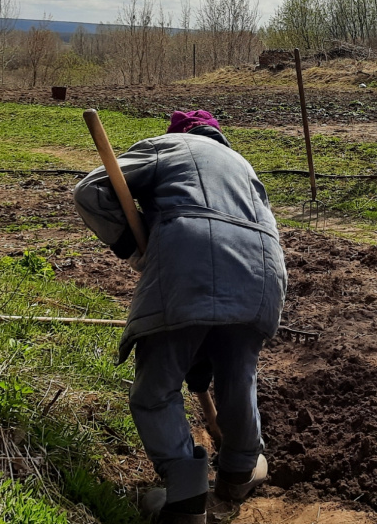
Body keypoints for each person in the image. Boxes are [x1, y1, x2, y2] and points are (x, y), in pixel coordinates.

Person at [74, 109, 287, 523]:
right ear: (217, 135)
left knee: (156, 390)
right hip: (263, 273)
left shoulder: (169, 146)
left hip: (189, 263)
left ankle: (185, 500)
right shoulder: (245, 167)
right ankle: (241, 470)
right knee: (237, 375)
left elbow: (90, 190)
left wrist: (135, 248)